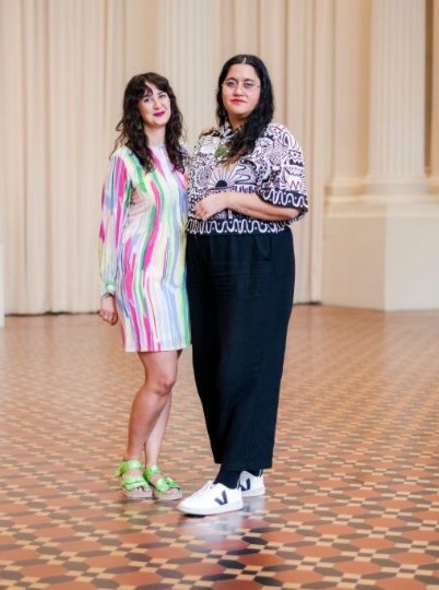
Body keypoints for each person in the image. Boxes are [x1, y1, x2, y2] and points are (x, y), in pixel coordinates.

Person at [177, 55, 308, 516]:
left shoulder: (277, 138)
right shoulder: (208, 141)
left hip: (259, 260)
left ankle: (229, 481)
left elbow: (291, 206)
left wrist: (229, 198)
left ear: (262, 91)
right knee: (210, 366)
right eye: (230, 82)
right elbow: (192, 202)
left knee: (244, 365)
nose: (238, 90)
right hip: (206, 258)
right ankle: (248, 470)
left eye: (248, 83)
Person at [98, 73, 190, 501]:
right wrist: (107, 287)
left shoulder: (181, 158)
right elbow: (111, 225)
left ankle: (154, 467)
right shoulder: (125, 161)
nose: (157, 102)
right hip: (142, 278)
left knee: (167, 382)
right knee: (161, 376)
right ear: (134, 109)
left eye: (162, 94)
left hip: (177, 281)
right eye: (146, 97)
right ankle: (131, 460)